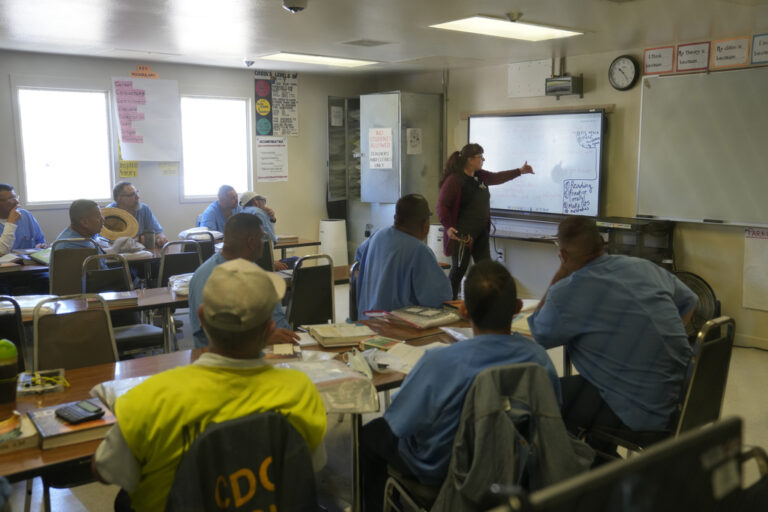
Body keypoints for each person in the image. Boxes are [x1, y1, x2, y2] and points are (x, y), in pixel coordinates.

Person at [93, 258, 327, 511]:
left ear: (201, 318)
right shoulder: (300, 391)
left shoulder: (149, 401)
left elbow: (105, 471)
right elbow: (311, 467)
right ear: (269, 329)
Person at [360, 260, 560, 511]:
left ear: (463, 311)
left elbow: (400, 422)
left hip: (442, 471)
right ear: (517, 308)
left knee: (369, 436)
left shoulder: (440, 362)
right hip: (516, 469)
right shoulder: (539, 360)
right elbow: (550, 415)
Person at [528, 216, 698, 441]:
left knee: (540, 395)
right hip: (686, 397)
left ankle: (584, 466)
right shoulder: (645, 267)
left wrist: (560, 273)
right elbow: (690, 301)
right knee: (585, 390)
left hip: (643, 412)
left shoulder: (567, 292)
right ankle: (601, 460)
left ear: (564, 255)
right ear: (602, 241)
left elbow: (539, 333)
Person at [437, 143, 534, 298]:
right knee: (459, 270)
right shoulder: (455, 180)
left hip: (481, 232)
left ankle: (484, 302)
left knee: (486, 270)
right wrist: (448, 226)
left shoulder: (480, 176)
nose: (483, 159)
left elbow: (497, 177)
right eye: (480, 157)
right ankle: (449, 303)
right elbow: (442, 205)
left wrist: (520, 171)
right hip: (462, 235)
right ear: (470, 160)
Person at [188, 213, 298, 348]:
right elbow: (214, 336)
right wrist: (262, 340)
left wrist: (285, 336)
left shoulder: (256, 272)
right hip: (221, 360)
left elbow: (276, 318)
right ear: (251, 242)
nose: (264, 243)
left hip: (266, 352)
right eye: (262, 238)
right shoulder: (207, 276)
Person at [354, 194, 452, 317]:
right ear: (425, 224)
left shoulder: (378, 235)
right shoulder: (419, 251)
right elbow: (439, 299)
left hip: (366, 321)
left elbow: (358, 256)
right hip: (397, 328)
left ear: (396, 217)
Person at [108, 182, 168, 247]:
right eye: (132, 195)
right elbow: (105, 240)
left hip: (142, 251)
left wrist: (161, 238)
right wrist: (138, 239)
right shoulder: (109, 212)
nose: (137, 197)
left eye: (137, 192)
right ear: (119, 198)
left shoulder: (143, 209)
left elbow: (157, 231)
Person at [0, 183, 45, 252]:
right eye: (11, 199)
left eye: (16, 198)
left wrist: (39, 246)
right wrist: (11, 222)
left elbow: (40, 240)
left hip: (30, 262)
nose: (16, 202)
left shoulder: (25, 215)